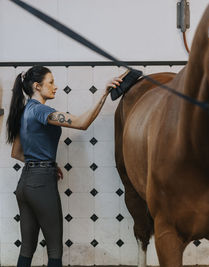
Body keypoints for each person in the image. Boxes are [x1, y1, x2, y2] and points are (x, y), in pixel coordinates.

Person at [6, 65, 122, 267]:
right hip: (41, 185)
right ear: (37, 86)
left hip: (25, 184)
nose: (55, 87)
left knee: (27, 248)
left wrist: (46, 163)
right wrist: (104, 94)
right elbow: (80, 123)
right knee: (54, 251)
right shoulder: (41, 110)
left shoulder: (24, 112)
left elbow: (16, 153)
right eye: (50, 82)